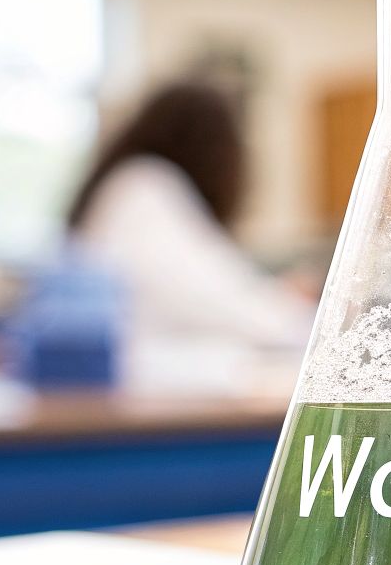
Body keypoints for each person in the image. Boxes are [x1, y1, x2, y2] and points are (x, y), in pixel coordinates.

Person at [67, 80, 312, 391]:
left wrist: (277, 300)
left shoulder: (138, 186)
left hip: (155, 371)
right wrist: (298, 315)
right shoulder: (145, 188)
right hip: (150, 380)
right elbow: (208, 297)